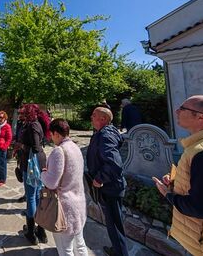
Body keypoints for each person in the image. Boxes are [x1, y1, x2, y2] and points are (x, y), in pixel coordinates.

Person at [152, 95, 203, 256]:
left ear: (202, 117)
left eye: (182, 109)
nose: (177, 111)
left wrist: (168, 195)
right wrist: (177, 183)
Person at [41, 119, 89, 256]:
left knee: (65, 249)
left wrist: (43, 173)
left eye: (51, 134)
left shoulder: (59, 151)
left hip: (64, 208)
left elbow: (51, 183)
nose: (50, 137)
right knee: (80, 244)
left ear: (56, 133)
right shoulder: (75, 147)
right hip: (78, 205)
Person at [87, 107, 128, 256]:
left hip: (110, 188)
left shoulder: (106, 135)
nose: (91, 117)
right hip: (111, 187)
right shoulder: (104, 133)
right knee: (113, 224)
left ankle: (120, 252)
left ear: (103, 119)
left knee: (114, 226)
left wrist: (99, 178)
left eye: (94, 115)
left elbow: (114, 163)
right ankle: (117, 249)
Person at [19, 103, 48, 245]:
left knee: (32, 196)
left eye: (24, 112)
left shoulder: (33, 125)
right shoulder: (36, 123)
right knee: (36, 195)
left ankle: (32, 233)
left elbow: (36, 147)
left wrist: (22, 146)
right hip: (36, 162)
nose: (21, 115)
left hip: (32, 164)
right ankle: (41, 230)